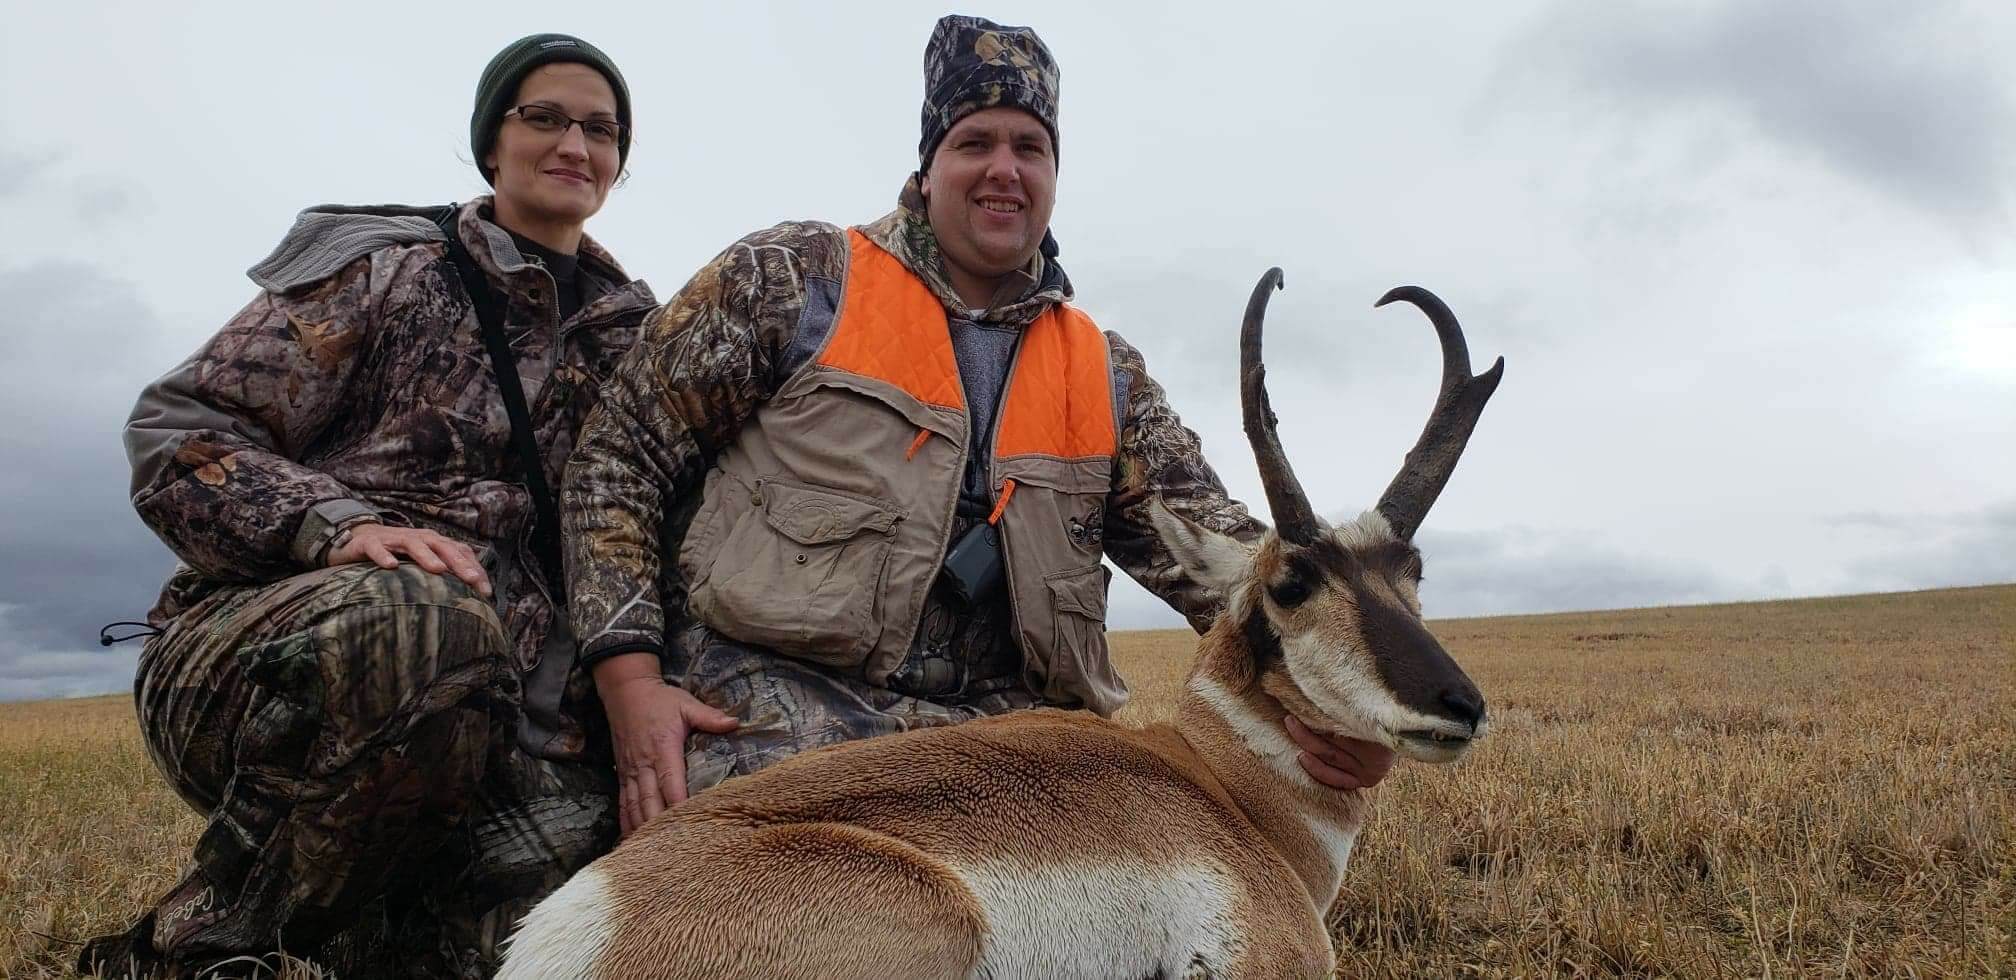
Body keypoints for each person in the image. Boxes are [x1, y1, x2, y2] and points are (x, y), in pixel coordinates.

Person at [564, 14, 1396, 841]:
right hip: (777, 717)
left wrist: (1355, 700)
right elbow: (618, 462)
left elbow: (1234, 571)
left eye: (1030, 147)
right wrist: (631, 686)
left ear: (1054, 175)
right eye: (975, 142)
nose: (1005, 169)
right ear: (928, 167)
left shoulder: (1105, 376)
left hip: (1017, 747)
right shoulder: (793, 282)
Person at [81, 33, 656, 978]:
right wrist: (336, 527)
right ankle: (200, 953)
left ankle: (369, 932)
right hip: (289, 663)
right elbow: (180, 431)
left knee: (553, 935)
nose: (573, 145)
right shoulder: (386, 269)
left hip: (504, 726)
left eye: (600, 130)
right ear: (491, 142)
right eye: (543, 118)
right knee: (426, 620)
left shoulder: (637, 338)